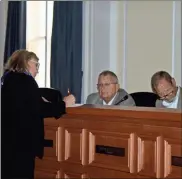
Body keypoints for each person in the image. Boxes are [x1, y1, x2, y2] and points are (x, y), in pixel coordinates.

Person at [1, 49, 75, 179]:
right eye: (36, 65)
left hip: (7, 142)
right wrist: (64, 104)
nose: (37, 69)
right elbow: (39, 109)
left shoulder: (7, 79)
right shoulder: (26, 81)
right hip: (22, 144)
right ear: (27, 63)